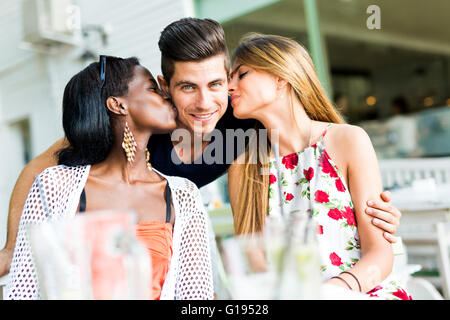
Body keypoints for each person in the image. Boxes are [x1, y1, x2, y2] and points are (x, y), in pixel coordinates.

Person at [0, 18, 401, 280]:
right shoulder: (142, 125)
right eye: (188, 87)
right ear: (165, 85)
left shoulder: (247, 123)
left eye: (216, 84)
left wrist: (372, 209)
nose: (206, 102)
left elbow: (307, 146)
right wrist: (11, 248)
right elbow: (37, 170)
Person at [5, 56, 214, 300]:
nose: (167, 96)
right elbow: (22, 293)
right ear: (118, 105)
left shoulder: (184, 195)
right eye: (152, 88)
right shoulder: (55, 185)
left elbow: (196, 299)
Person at [227, 33, 411, 299]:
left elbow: (380, 255)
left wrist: (331, 292)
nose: (229, 87)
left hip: (359, 292)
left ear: (281, 79)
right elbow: (258, 266)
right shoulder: (243, 168)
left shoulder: (348, 140)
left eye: (241, 74)